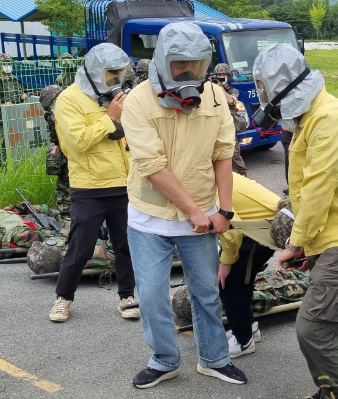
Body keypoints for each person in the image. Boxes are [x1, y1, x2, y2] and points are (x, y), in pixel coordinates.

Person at [255, 44, 338, 399]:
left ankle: (335, 394)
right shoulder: (312, 116)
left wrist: (295, 243)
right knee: (329, 324)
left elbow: (317, 188)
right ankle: (333, 390)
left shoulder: (328, 119)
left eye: (265, 89)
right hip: (333, 237)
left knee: (313, 327)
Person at [122, 22, 247, 388]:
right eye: (180, 65)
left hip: (205, 215)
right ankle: (164, 359)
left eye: (197, 63)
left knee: (206, 293)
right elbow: (152, 166)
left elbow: (224, 154)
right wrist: (195, 212)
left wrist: (224, 210)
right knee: (152, 299)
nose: (190, 72)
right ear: (162, 60)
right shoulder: (137, 102)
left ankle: (214, 358)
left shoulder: (214, 97)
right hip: (150, 218)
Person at [49, 43, 138, 323]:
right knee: (81, 246)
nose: (116, 78)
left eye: (119, 73)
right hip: (89, 186)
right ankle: (63, 298)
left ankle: (127, 296)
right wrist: (109, 118)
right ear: (96, 71)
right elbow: (77, 143)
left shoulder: (116, 95)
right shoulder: (69, 99)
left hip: (123, 184)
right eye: (111, 73)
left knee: (126, 244)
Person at [218, 173, 280, 358]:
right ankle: (249, 328)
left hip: (261, 230)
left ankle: (243, 340)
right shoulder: (213, 172)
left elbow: (229, 228)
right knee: (244, 278)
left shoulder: (204, 184)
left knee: (229, 283)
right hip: (261, 225)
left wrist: (225, 263)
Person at [40, 85, 71, 217]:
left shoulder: (66, 111)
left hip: (73, 152)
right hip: (67, 153)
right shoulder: (54, 116)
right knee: (64, 184)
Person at [214, 63, 248, 176]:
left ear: (228, 76)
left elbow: (231, 101)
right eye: (218, 75)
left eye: (223, 75)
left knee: (234, 152)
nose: (221, 77)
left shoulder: (233, 91)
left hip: (229, 124)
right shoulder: (212, 88)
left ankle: (243, 174)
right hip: (215, 123)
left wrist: (221, 88)